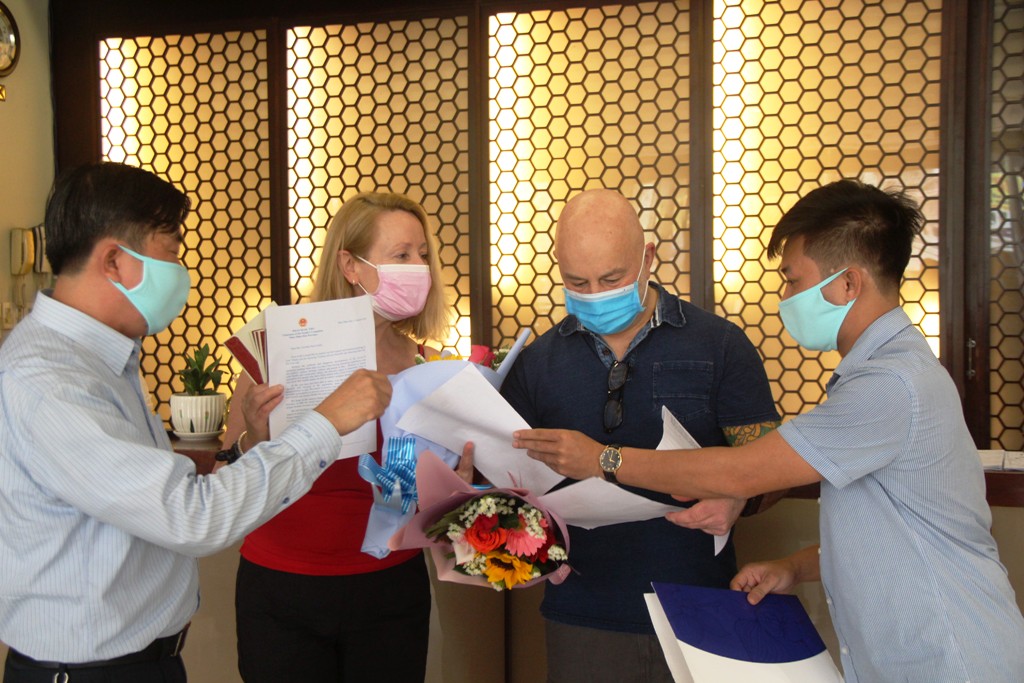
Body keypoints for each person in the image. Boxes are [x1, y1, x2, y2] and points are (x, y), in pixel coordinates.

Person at [515, 179, 1024, 683]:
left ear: (848, 284)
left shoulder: (890, 386)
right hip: (588, 609)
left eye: (793, 281)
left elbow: (747, 469)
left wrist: (604, 459)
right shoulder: (877, 376)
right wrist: (794, 569)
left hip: (947, 652)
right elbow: (890, 531)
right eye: (577, 282)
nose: (785, 296)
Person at [0, 162, 392, 683]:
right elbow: (192, 517)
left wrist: (244, 444)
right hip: (89, 671)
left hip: (142, 661)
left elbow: (145, 490)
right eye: (171, 255)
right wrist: (325, 422)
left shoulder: (100, 358)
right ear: (115, 261)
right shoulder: (51, 381)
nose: (181, 273)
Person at [499, 188, 782, 682]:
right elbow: (510, 483)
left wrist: (740, 501)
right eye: (576, 282)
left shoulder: (719, 346)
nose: (594, 294)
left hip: (700, 605)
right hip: (582, 613)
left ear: (648, 257)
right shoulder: (537, 364)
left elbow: (771, 468)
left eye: (612, 278)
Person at [222, 191, 469, 682]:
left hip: (389, 589)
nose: (418, 267)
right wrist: (252, 434)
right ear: (350, 264)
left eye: (422, 254)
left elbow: (416, 493)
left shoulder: (424, 365)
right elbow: (230, 473)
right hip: (282, 587)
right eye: (401, 255)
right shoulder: (280, 347)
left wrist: (453, 484)